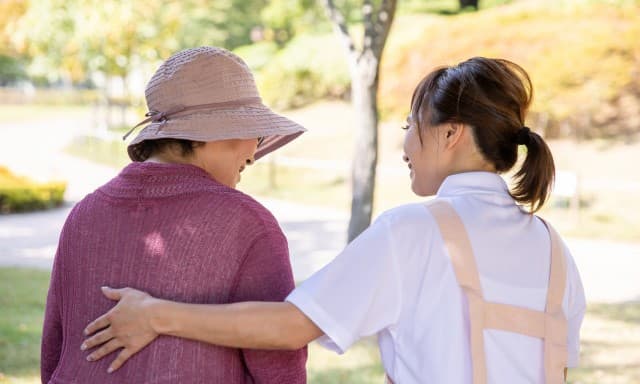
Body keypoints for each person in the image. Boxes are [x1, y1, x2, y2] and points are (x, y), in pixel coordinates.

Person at [81, 57, 587, 383]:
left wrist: (154, 315)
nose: (404, 144)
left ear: (451, 134)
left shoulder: (415, 231)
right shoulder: (553, 249)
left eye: (410, 126)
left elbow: (290, 326)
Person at [41, 46, 308, 384]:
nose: (254, 153)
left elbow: (55, 347)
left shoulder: (85, 213)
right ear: (220, 132)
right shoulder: (247, 224)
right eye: (253, 132)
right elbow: (277, 359)